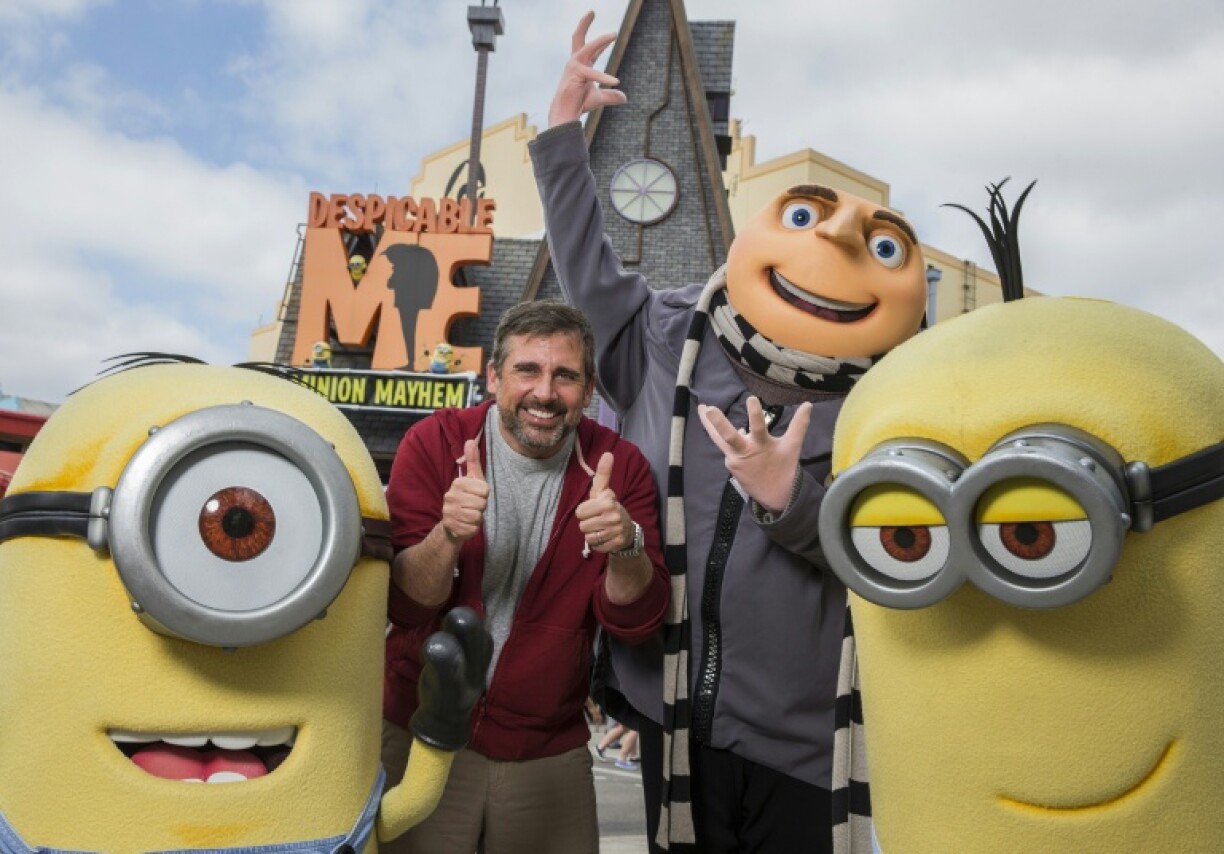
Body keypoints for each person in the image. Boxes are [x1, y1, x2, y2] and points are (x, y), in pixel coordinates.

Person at [528, 14, 930, 853]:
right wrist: (562, 135)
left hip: (804, 738)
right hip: (670, 715)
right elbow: (583, 262)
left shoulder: (892, 401)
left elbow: (903, 551)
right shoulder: (661, 337)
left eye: (877, 246)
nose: (839, 244)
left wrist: (793, 502)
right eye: (807, 220)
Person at [380, 299, 671, 854]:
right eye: (527, 370)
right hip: (418, 729)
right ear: (494, 376)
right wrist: (447, 535)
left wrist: (626, 542)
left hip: (546, 747)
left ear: (588, 392)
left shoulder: (620, 465)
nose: (545, 392)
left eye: (565, 375)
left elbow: (637, 620)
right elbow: (406, 604)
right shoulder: (435, 442)